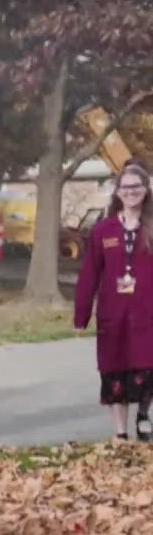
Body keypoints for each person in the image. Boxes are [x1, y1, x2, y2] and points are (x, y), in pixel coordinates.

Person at [74, 160, 153, 440]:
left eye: (137, 186)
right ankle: (120, 433)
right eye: (126, 187)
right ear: (117, 192)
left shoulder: (151, 228)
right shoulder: (103, 231)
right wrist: (80, 316)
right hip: (113, 315)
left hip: (147, 314)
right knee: (114, 370)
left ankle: (144, 415)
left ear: (146, 191)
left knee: (147, 367)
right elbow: (89, 275)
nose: (131, 192)